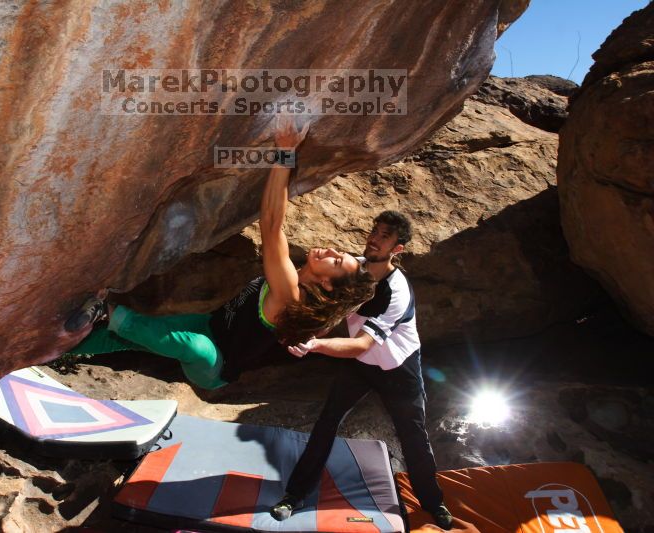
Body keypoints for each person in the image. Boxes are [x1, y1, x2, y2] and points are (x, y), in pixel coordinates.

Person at [62, 116, 376, 390]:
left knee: (193, 348)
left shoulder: (290, 294)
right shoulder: (294, 280)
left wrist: (286, 151)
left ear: (327, 285)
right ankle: (55, 348)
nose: (332, 251)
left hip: (215, 366)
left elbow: (270, 223)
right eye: (339, 252)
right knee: (127, 337)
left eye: (337, 261)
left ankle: (107, 311)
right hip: (209, 324)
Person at [270, 210, 454, 530]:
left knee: (413, 435)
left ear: (397, 249)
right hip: (360, 366)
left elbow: (362, 345)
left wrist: (314, 345)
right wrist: (304, 331)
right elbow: (328, 314)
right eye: (375, 231)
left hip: (399, 368)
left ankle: (432, 502)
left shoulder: (397, 292)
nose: (375, 238)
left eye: (385, 236)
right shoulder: (352, 270)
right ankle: (294, 495)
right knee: (327, 421)